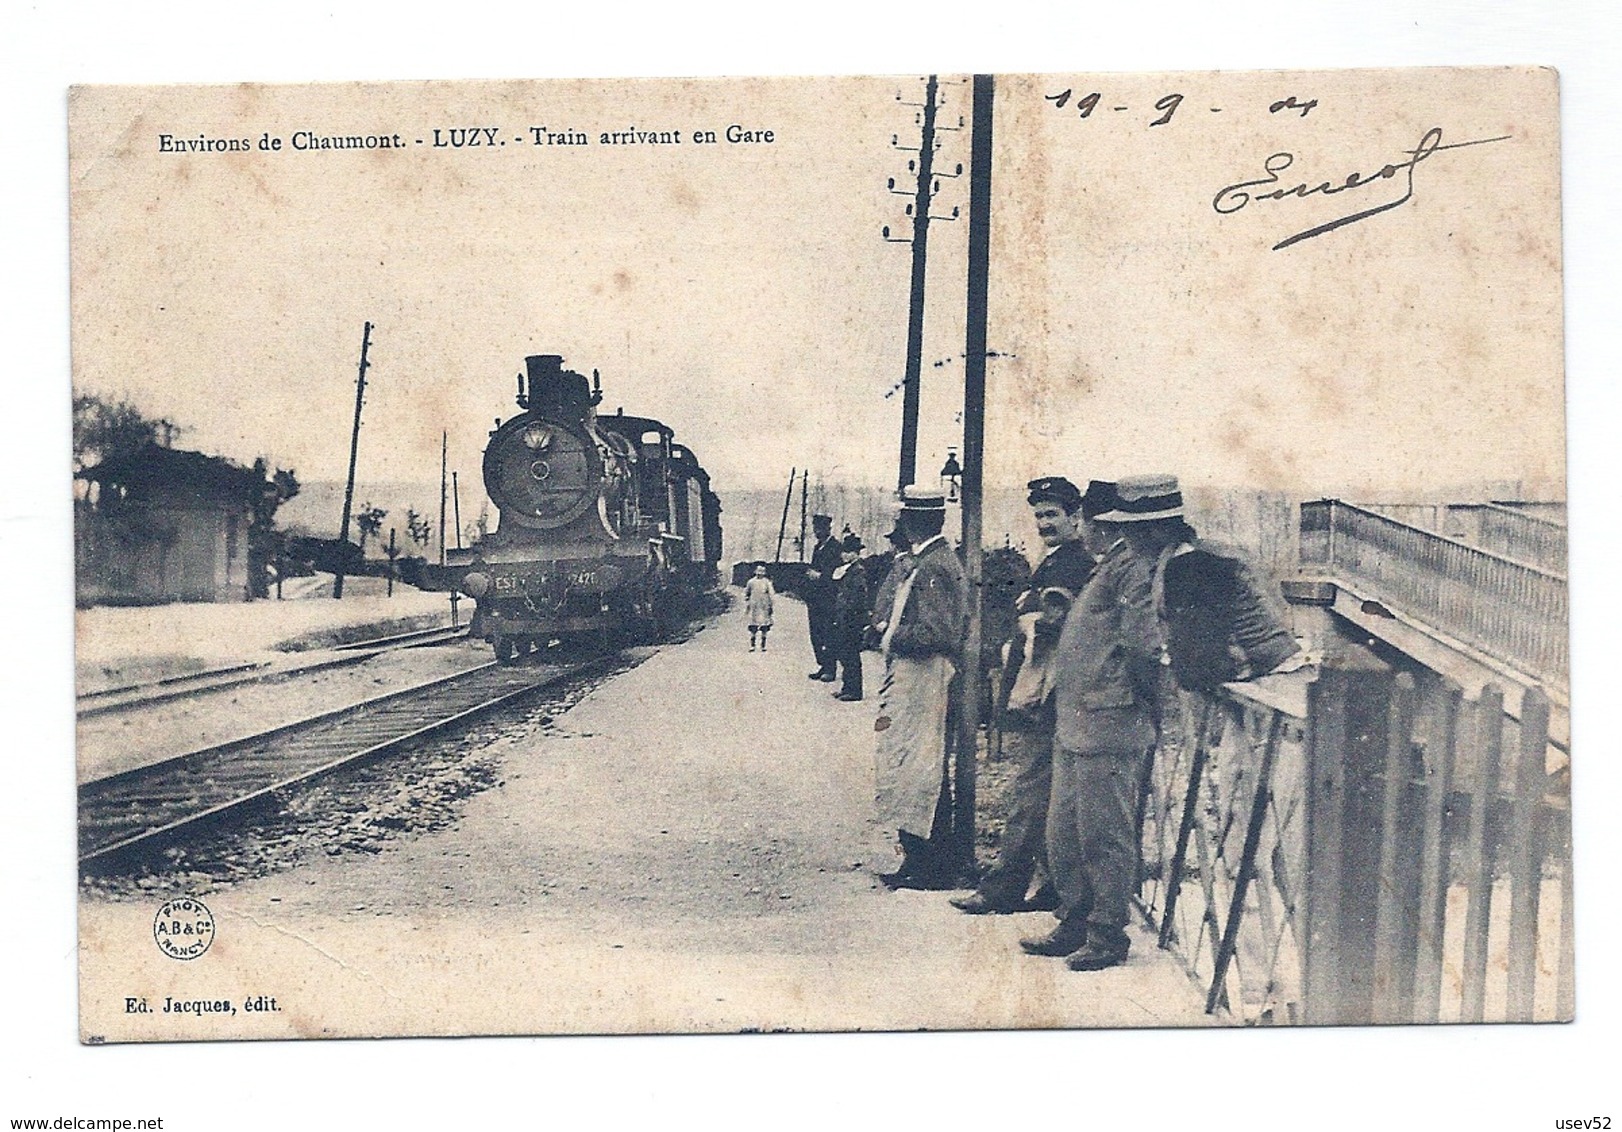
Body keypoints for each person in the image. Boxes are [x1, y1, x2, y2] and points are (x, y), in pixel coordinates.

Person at [1021, 477, 1161, 972]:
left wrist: (1142, 704)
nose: (1087, 530)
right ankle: (1075, 919)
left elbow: (1144, 648)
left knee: (1104, 834)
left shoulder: (1134, 572)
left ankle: (1106, 934)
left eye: (1094, 523)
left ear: (1111, 525)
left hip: (1110, 720)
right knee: (1067, 831)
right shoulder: (1109, 565)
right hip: (1077, 720)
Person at [951, 476, 1106, 916]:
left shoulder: (1074, 563)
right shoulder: (1055, 560)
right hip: (1045, 690)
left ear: (1075, 517)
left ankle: (1004, 887)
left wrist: (1030, 614)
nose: (1044, 523)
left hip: (1052, 693)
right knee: (1053, 793)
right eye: (1039, 515)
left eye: (1052, 515)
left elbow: (1059, 624)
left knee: (1032, 791)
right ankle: (1055, 885)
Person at [1105, 474, 1301, 693]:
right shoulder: (1188, 558)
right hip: (1257, 679)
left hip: (1268, 685)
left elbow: (1202, 665)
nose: (1124, 538)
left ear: (1153, 531)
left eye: (1127, 528)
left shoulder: (1191, 568)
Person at [873, 486, 966, 890]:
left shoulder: (933, 566)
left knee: (922, 768)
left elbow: (939, 632)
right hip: (916, 676)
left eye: (902, 518)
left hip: (928, 676)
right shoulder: (928, 561)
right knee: (914, 766)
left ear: (912, 521)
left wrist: (888, 633)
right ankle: (918, 858)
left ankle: (930, 865)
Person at [804, 513, 843, 681]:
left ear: (828, 528)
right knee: (816, 633)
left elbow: (838, 572)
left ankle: (830, 668)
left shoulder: (835, 547)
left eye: (820, 528)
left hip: (829, 598)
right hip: (815, 599)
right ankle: (823, 664)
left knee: (828, 633)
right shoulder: (817, 547)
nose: (817, 531)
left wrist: (820, 576)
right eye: (815, 528)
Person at [831, 533, 870, 701]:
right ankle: (847, 687)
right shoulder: (849, 570)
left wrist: (848, 615)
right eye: (843, 552)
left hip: (852, 619)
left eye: (847, 552)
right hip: (844, 618)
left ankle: (854, 691)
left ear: (855, 553)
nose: (843, 555)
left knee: (851, 655)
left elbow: (856, 598)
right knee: (845, 653)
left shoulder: (858, 571)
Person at [744, 563, 775, 652]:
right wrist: (747, 602)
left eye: (762, 572)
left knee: (764, 627)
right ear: (755, 572)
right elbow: (747, 593)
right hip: (754, 607)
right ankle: (752, 645)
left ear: (764, 573)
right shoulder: (751, 582)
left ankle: (763, 645)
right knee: (753, 626)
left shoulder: (767, 582)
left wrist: (771, 604)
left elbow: (771, 594)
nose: (759, 573)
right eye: (758, 571)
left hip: (764, 606)